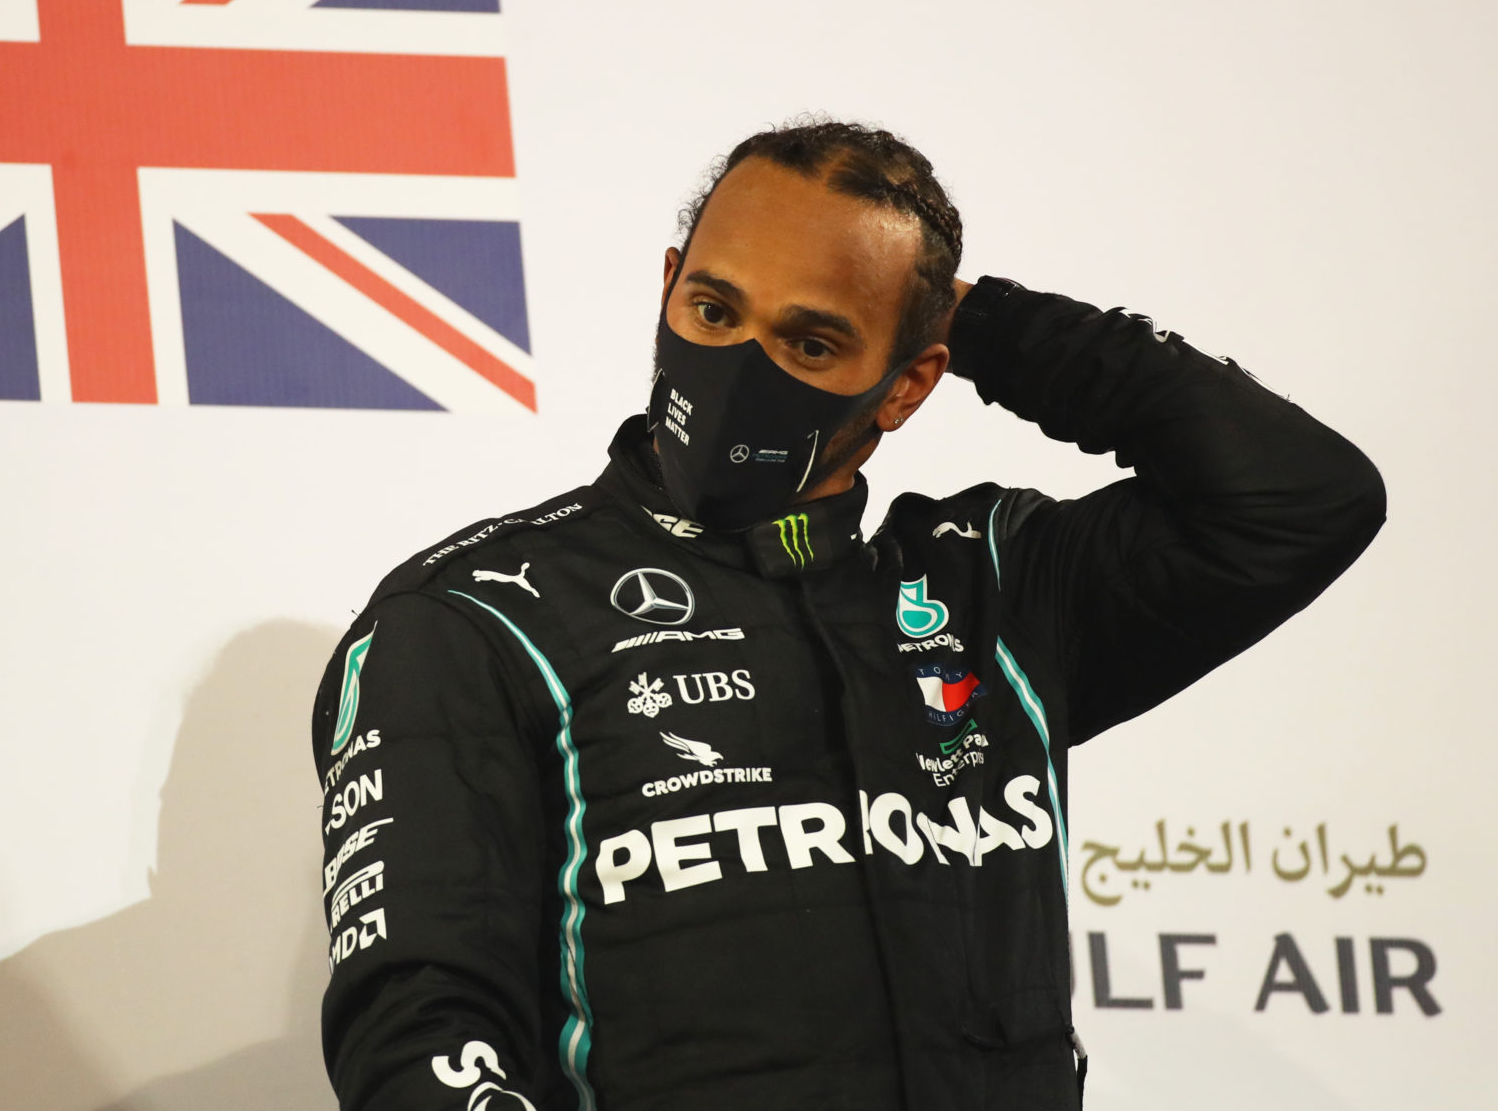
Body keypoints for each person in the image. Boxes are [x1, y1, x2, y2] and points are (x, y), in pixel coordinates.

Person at [309, 119, 1384, 1111]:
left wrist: (979, 322)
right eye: (714, 309)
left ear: (908, 385)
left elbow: (1301, 498)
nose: (738, 367)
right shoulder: (476, 617)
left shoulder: (997, 590)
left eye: (812, 342)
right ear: (668, 286)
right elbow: (419, 1033)